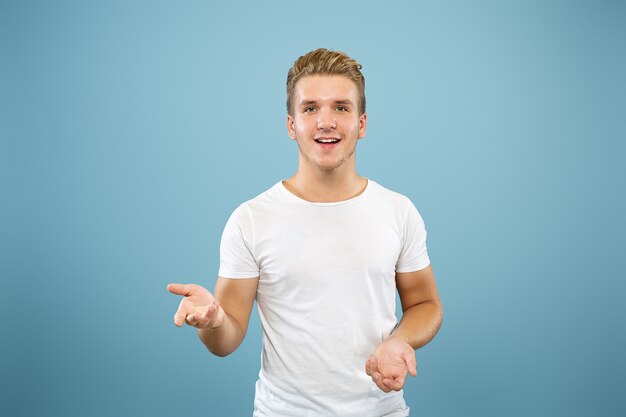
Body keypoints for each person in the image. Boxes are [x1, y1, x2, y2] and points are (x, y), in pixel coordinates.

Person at [167, 48, 443, 417]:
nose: (325, 122)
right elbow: (225, 339)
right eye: (310, 108)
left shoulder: (398, 211)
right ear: (290, 124)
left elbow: (426, 305)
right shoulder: (251, 219)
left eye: (341, 108)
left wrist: (400, 340)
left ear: (361, 124)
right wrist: (214, 321)